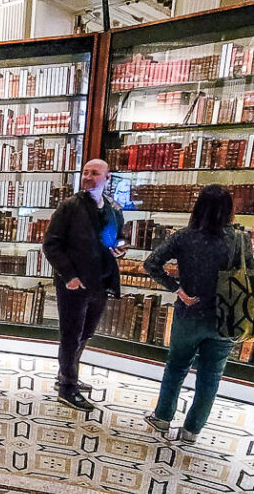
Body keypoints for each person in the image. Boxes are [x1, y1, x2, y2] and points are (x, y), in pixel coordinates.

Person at [144, 185, 253, 443]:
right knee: (211, 375)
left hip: (189, 313)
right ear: (229, 209)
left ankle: (162, 417)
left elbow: (151, 263)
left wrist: (176, 289)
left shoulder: (183, 237)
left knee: (176, 367)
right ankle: (192, 429)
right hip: (227, 317)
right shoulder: (239, 239)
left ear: (198, 207)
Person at [42, 158, 127, 410]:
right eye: (85, 172)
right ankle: (68, 387)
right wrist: (69, 276)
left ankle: (68, 375)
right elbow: (51, 245)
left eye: (95, 173)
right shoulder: (69, 207)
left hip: (100, 283)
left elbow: (116, 239)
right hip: (74, 285)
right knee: (71, 336)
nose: (88, 177)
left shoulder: (113, 209)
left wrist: (118, 250)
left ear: (107, 178)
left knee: (86, 334)